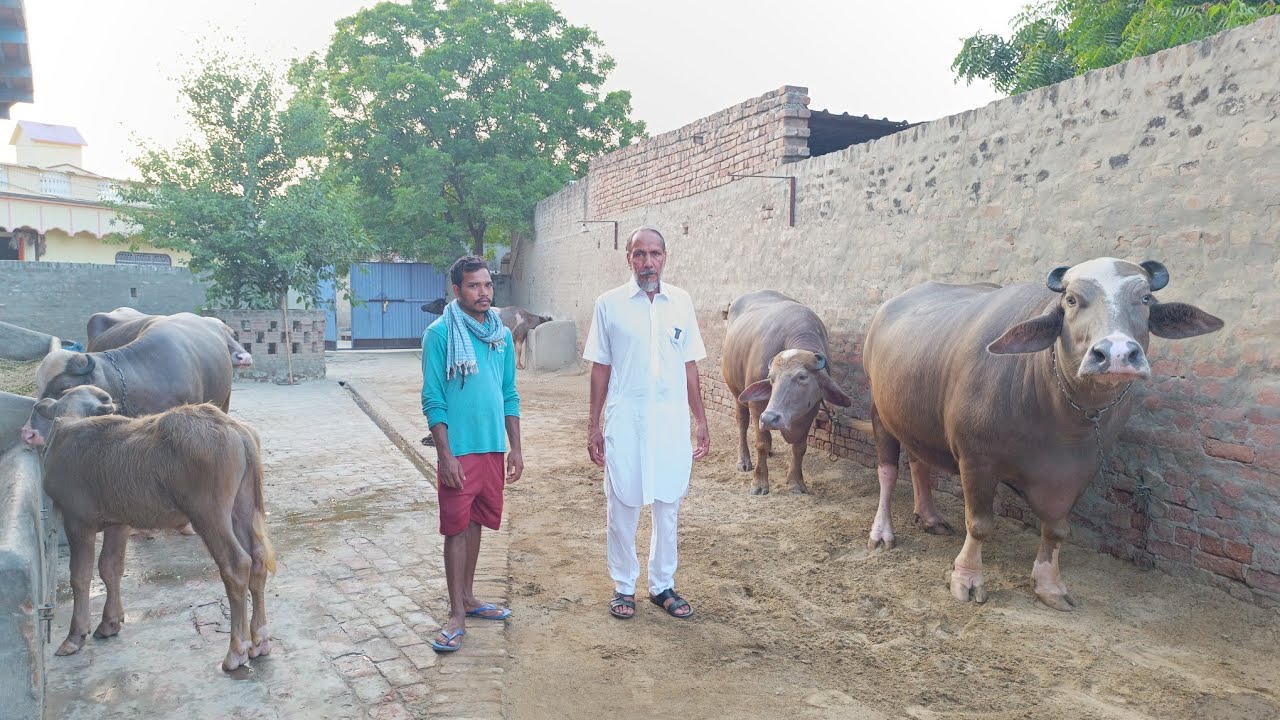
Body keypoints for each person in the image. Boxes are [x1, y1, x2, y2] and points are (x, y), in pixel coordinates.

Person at [583, 226, 710, 621]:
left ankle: (662, 586)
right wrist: (593, 424)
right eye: (639, 254)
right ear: (629, 259)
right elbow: (600, 368)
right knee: (623, 501)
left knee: (668, 502)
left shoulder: (682, 302)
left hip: (671, 421)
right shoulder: (609, 304)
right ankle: (624, 587)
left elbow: (689, 366)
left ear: (665, 257)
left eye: (655, 254)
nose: (647, 262)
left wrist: (701, 420)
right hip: (627, 420)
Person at [421, 255, 524, 652]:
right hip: (459, 451)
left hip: (492, 449)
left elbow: (509, 393)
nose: (483, 293)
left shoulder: (498, 335)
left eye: (487, 285)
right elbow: (433, 399)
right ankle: (455, 614)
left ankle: (469, 596)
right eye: (473, 286)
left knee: (476, 523)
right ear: (457, 290)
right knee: (455, 528)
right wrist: (446, 455)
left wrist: (516, 447)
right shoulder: (440, 334)